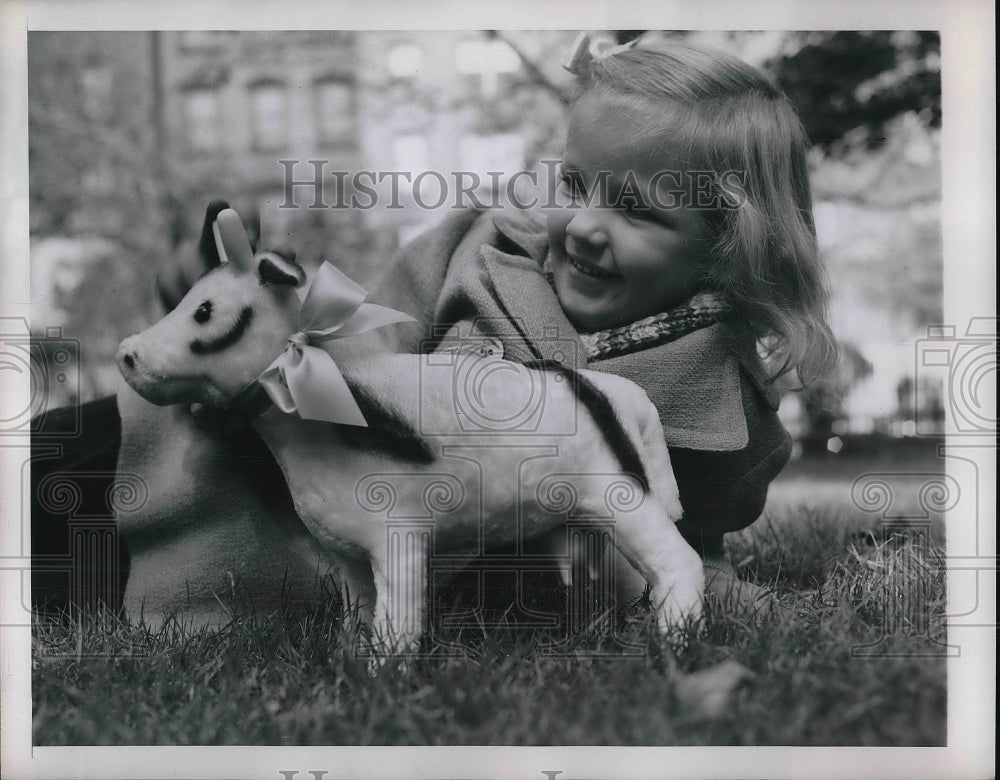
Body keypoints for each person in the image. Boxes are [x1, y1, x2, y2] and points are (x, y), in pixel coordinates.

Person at [32, 37, 835, 625]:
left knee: (100, 571)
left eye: (636, 209)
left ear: (732, 246)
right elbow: (361, 347)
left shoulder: (720, 404)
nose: (584, 225)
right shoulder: (474, 251)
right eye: (577, 183)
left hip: (310, 547)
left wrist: (725, 595)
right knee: (60, 456)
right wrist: (257, 320)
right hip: (229, 446)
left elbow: (678, 538)